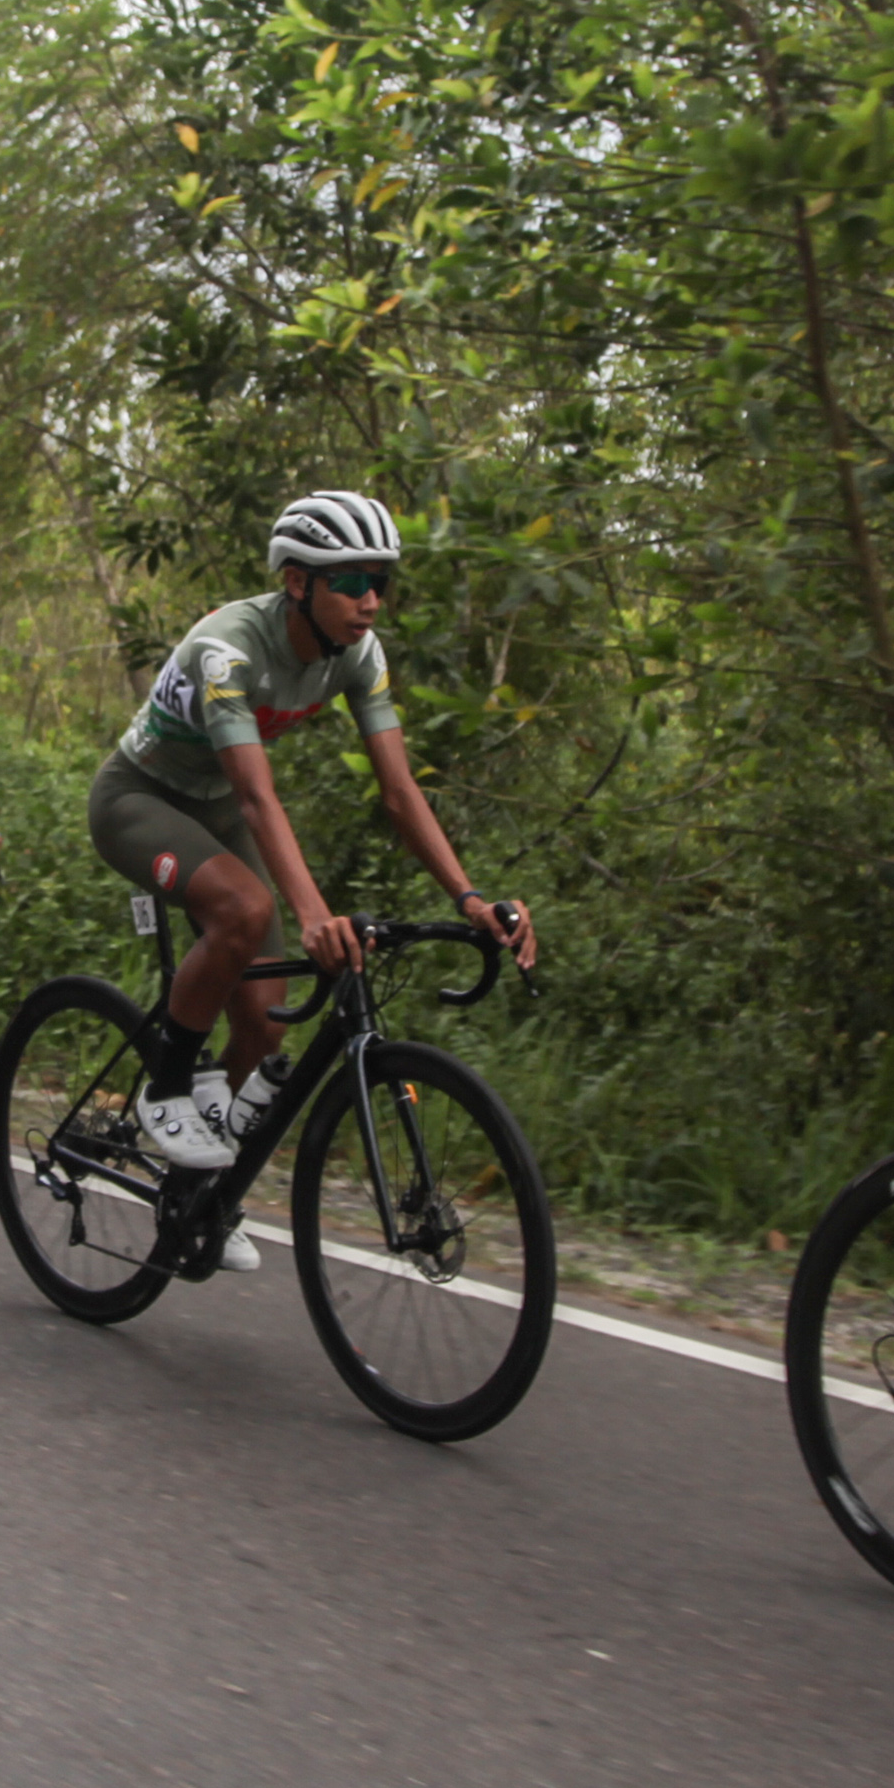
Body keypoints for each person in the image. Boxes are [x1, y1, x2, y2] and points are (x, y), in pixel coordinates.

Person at [86, 488, 534, 1265]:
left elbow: (399, 792)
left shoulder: (360, 653)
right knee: (245, 907)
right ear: (298, 582)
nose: (371, 600)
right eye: (353, 579)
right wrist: (314, 911)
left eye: (381, 581)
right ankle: (163, 1090)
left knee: (265, 1024)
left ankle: (198, 1193)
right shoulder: (227, 650)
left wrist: (468, 897)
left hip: (216, 808)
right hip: (138, 799)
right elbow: (260, 799)